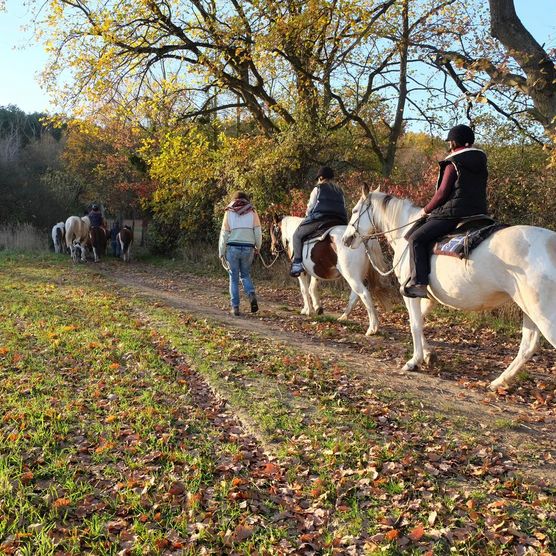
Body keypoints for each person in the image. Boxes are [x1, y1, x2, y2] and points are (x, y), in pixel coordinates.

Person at [404, 124, 488, 298]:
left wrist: (425, 210)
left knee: (416, 239)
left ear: (454, 142)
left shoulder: (453, 163)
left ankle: (419, 283)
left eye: (450, 141)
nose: (449, 144)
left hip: (453, 214)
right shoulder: (480, 162)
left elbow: (442, 193)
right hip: (479, 212)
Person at [290, 166, 348, 277]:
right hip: (339, 221)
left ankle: (297, 264)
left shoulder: (318, 189)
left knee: (297, 235)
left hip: (321, 219)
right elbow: (343, 207)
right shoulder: (340, 191)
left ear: (321, 177)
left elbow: (310, 207)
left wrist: (307, 217)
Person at [218, 191, 262, 316]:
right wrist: (258, 246)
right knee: (245, 275)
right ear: (246, 199)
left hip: (232, 248)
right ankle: (251, 293)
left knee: (233, 278)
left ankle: (235, 307)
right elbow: (258, 232)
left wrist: (221, 251)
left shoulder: (229, 212)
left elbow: (224, 234)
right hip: (248, 248)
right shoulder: (252, 212)